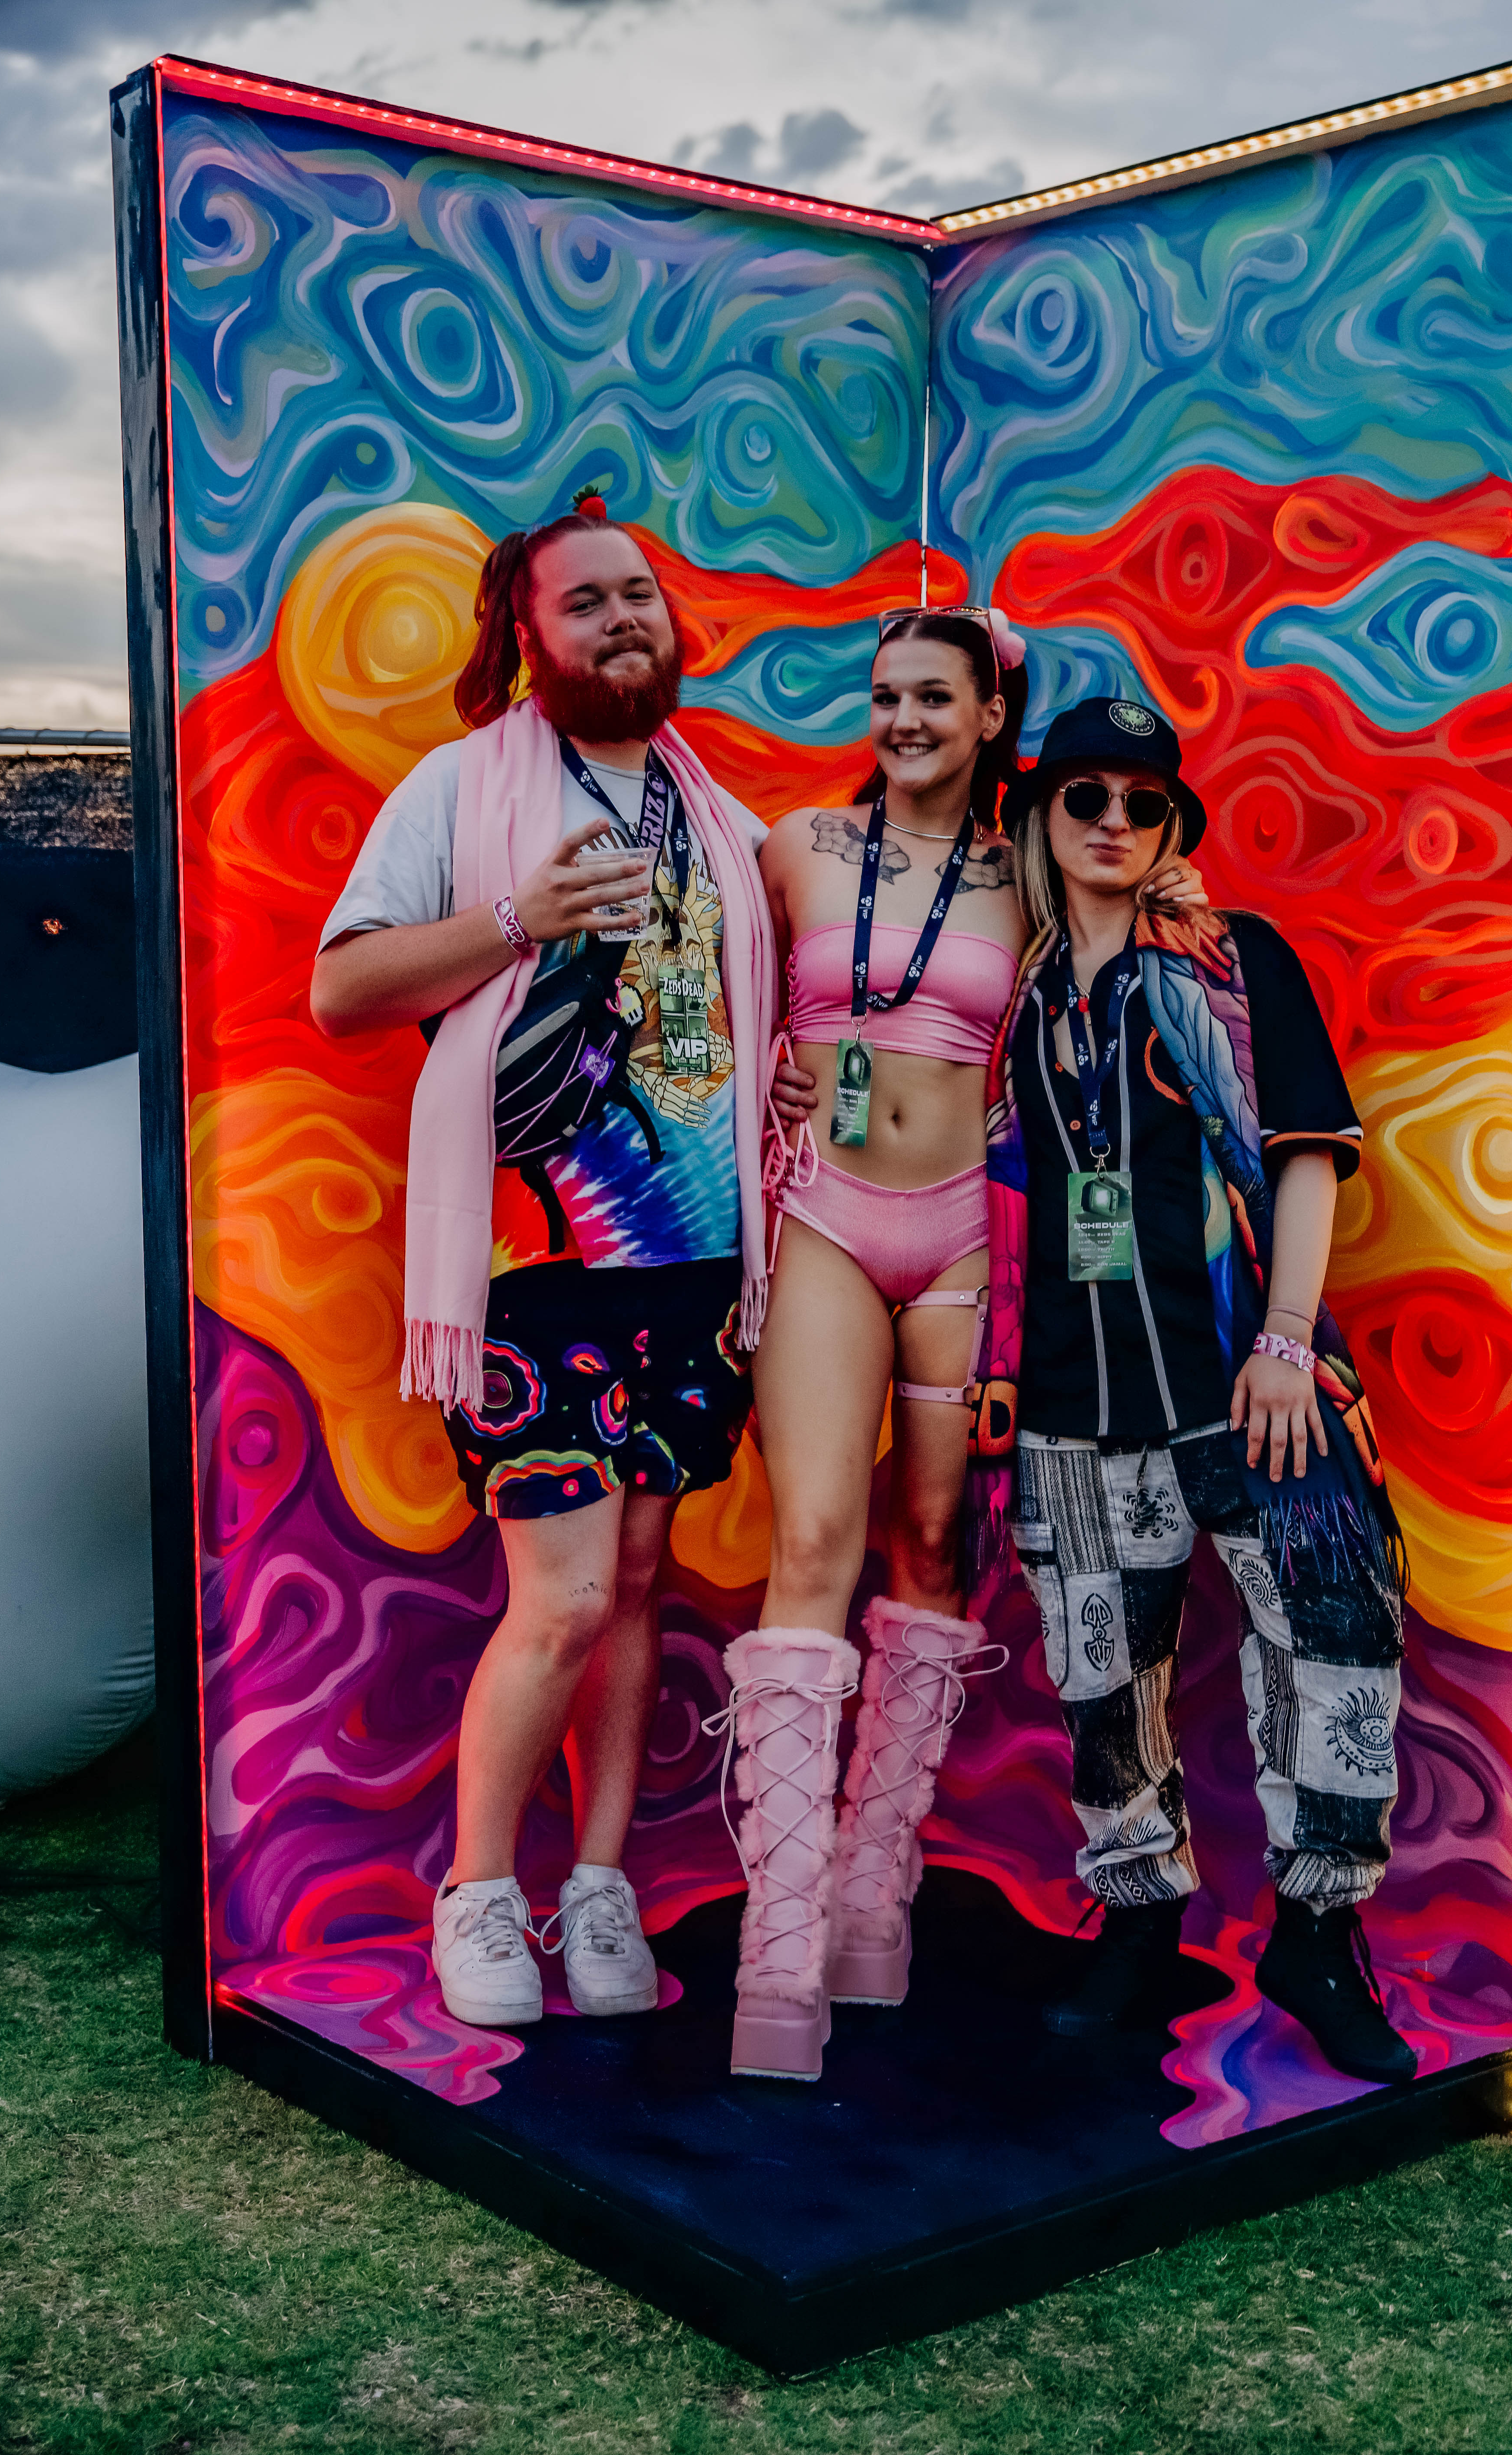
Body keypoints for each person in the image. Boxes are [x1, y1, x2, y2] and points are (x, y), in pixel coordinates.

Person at [311, 495, 786, 2033]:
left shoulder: (720, 817)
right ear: (526, 637)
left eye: (639, 592)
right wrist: (517, 919)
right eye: (586, 601)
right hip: (536, 1269)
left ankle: (596, 1886)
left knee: (639, 1585)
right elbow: (343, 990)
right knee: (567, 1597)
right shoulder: (462, 786)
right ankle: (475, 1894)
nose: (623, 617)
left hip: (700, 1276)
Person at [989, 692, 1417, 2087]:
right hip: (1074, 1400)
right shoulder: (1018, 994)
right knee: (1103, 1679)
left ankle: (1318, 1935)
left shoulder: (1233, 962)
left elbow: (1305, 1150)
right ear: (1041, 816)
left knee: (1335, 1639)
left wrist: (1286, 1340)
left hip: (1247, 1381)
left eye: (1145, 804)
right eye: (1086, 797)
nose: (1114, 821)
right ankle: (1138, 1916)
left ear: (1172, 825)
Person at [696, 605, 1032, 2084]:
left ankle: (872, 1898)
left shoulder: (1032, 872)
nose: (903, 720)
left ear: (991, 716)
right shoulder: (796, 848)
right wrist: (760, 1072)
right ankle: (781, 1944)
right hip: (825, 1214)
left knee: (937, 1543)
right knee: (817, 1535)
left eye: (935, 697)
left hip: (965, 1232)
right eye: (887, 695)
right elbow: (700, 997)